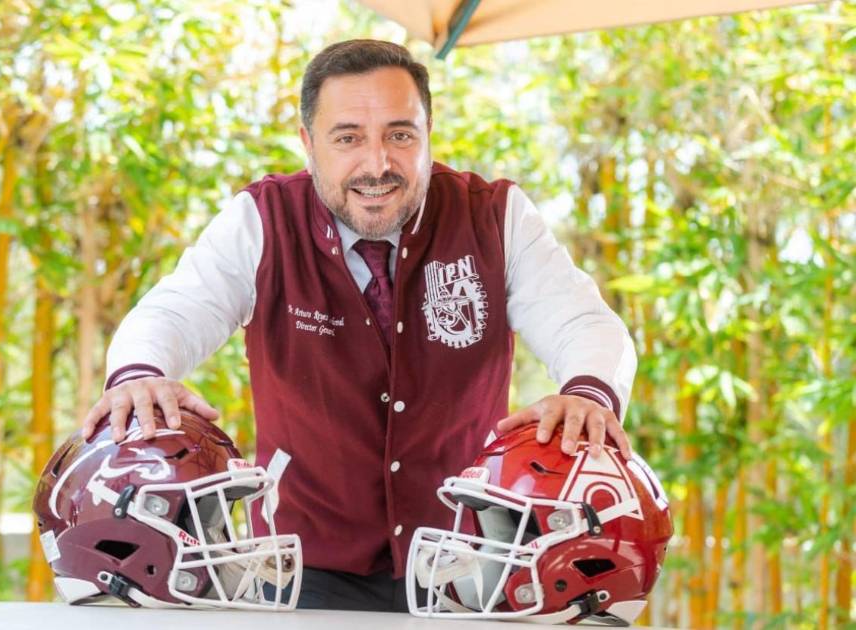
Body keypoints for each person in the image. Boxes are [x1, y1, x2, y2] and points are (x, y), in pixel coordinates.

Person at [81, 39, 636, 612]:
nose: (377, 164)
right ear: (308, 144)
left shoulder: (495, 216)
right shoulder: (264, 218)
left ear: (428, 134)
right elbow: (174, 311)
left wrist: (587, 392)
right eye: (348, 138)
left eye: (400, 135)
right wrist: (139, 373)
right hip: (301, 571)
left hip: (469, 566)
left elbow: (583, 321)